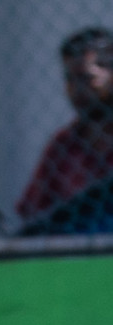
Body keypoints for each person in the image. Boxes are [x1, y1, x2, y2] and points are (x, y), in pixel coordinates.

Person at [16, 27, 113, 224]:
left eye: (87, 78)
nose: (78, 90)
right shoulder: (64, 146)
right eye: (70, 79)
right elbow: (33, 213)